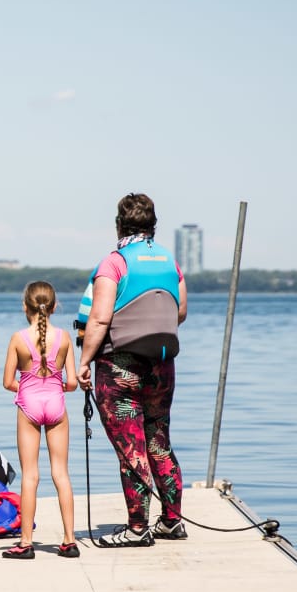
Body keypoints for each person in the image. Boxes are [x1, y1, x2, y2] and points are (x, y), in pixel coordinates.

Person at [76, 192, 187, 547]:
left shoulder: (114, 264)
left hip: (120, 367)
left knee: (131, 449)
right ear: (153, 225)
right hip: (162, 365)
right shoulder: (171, 263)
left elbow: (99, 318)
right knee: (159, 443)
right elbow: (180, 312)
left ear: (119, 225)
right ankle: (172, 522)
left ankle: (137, 528)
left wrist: (83, 362)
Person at [0, 280, 79, 559]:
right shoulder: (65, 337)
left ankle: (25, 542)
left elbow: (7, 381)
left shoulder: (18, 338)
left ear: (25, 306)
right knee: (61, 474)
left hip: (29, 404)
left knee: (30, 475)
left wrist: (27, 386)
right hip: (57, 403)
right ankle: (69, 541)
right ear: (55, 306)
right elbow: (72, 384)